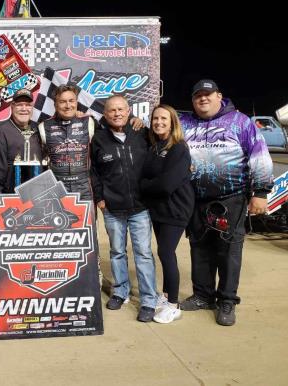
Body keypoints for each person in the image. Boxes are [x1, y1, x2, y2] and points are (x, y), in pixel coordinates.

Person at [179, 79, 273, 326]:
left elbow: (259, 155)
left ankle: (227, 301)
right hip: (196, 200)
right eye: (198, 95)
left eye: (208, 94)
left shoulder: (240, 122)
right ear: (193, 100)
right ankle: (202, 296)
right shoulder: (184, 123)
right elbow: (158, 129)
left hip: (231, 199)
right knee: (199, 248)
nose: (203, 99)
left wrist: (260, 192)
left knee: (228, 251)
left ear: (219, 96)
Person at [91, 94, 158, 322]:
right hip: (113, 208)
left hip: (140, 208)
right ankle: (120, 292)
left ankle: (149, 299)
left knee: (144, 254)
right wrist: (100, 198)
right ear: (105, 114)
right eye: (112, 110)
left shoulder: (142, 133)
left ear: (129, 111)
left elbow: (158, 160)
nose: (117, 114)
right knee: (117, 252)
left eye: (121, 109)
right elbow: (94, 172)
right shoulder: (98, 139)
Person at [140, 104, 195, 324]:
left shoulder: (179, 148)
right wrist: (150, 183)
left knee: (166, 252)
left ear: (172, 122)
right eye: (155, 119)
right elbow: (153, 178)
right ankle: (164, 296)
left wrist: (144, 185)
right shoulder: (154, 146)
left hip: (176, 209)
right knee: (163, 252)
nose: (159, 122)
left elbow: (166, 185)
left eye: (164, 118)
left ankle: (173, 304)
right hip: (159, 210)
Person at [0, 89, 43, 201]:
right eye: (20, 105)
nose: (24, 109)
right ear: (12, 106)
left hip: (38, 196)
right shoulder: (1, 133)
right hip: (11, 196)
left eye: (28, 105)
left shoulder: (40, 129)